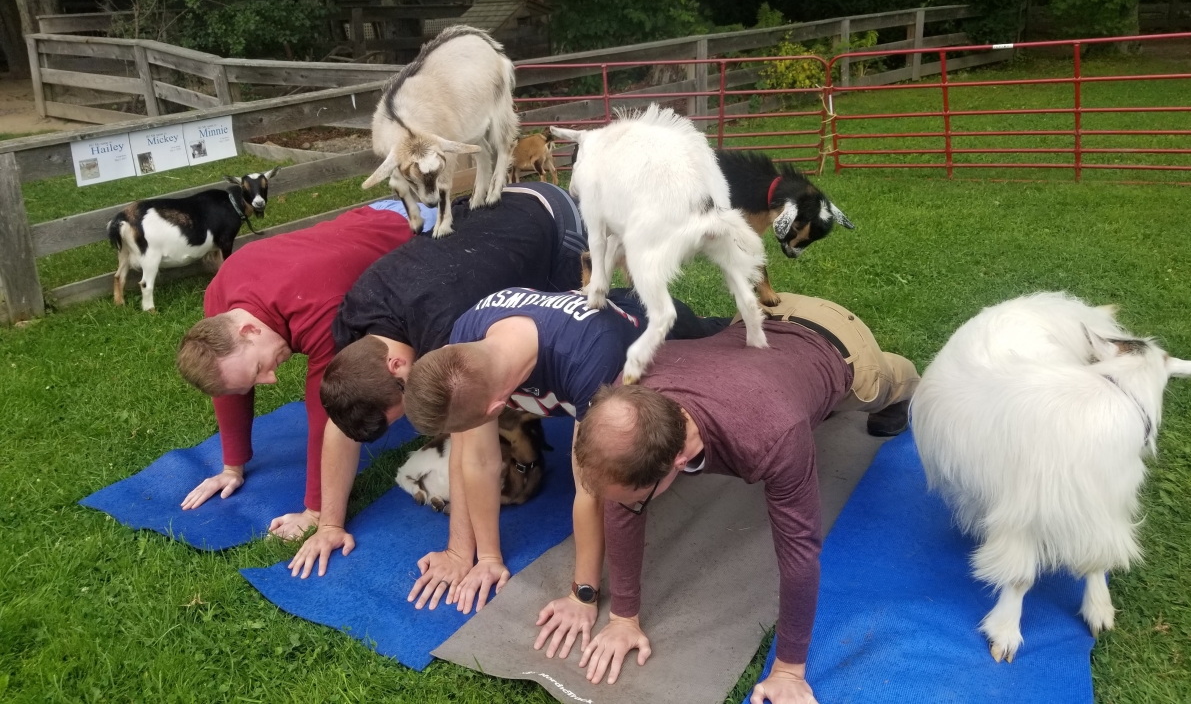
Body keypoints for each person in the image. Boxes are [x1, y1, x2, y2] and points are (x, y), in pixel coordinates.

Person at [569, 294, 919, 702]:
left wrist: (788, 670)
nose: (625, 508)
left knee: (887, 386)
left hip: (838, 339)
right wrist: (623, 616)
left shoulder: (772, 435)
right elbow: (621, 497)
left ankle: (909, 384)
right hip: (758, 316)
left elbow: (800, 551)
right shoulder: (628, 396)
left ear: (678, 461)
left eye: (636, 500)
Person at [287, 181, 587, 578]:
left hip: (553, 221)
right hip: (486, 213)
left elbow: (475, 448)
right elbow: (344, 418)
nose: (415, 413)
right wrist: (328, 524)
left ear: (396, 367)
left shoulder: (448, 331)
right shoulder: (354, 321)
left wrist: (460, 553)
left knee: (567, 336)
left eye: (405, 405)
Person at [399, 286, 728, 619]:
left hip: (664, 331)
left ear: (499, 409)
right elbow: (474, 457)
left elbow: (592, 484)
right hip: (596, 315)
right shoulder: (465, 340)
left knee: (728, 339)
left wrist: (582, 595)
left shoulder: (587, 357)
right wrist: (471, 555)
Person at [174, 198, 436, 538]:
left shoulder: (322, 315)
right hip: (365, 219)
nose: (271, 379)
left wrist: (315, 511)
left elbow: (328, 416)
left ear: (248, 330)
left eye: (259, 370)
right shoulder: (219, 300)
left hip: (419, 227)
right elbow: (230, 385)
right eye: (256, 377)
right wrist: (231, 467)